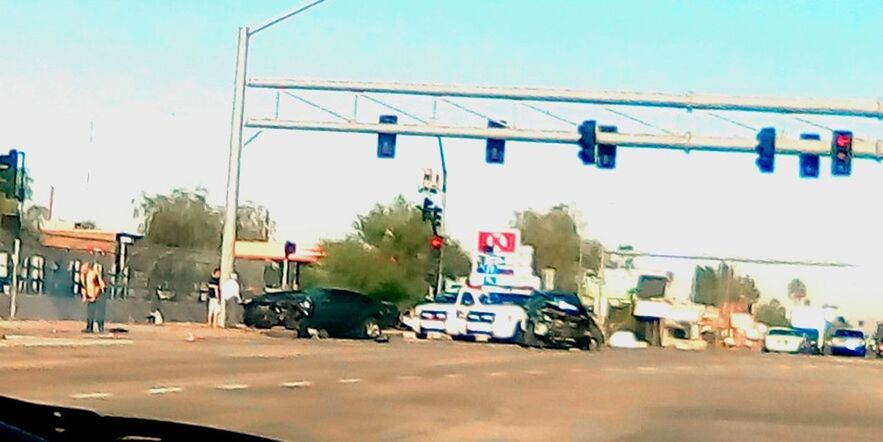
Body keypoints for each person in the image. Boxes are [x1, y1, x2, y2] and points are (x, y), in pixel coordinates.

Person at [81, 262, 107, 334]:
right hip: (91, 294)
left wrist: (94, 297)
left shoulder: (92, 275)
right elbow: (83, 286)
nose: (82, 270)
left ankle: (100, 327)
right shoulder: (83, 275)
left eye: (83, 269)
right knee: (90, 312)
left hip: (99, 294)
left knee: (99, 312)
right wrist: (84, 296)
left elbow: (98, 287)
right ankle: (89, 327)